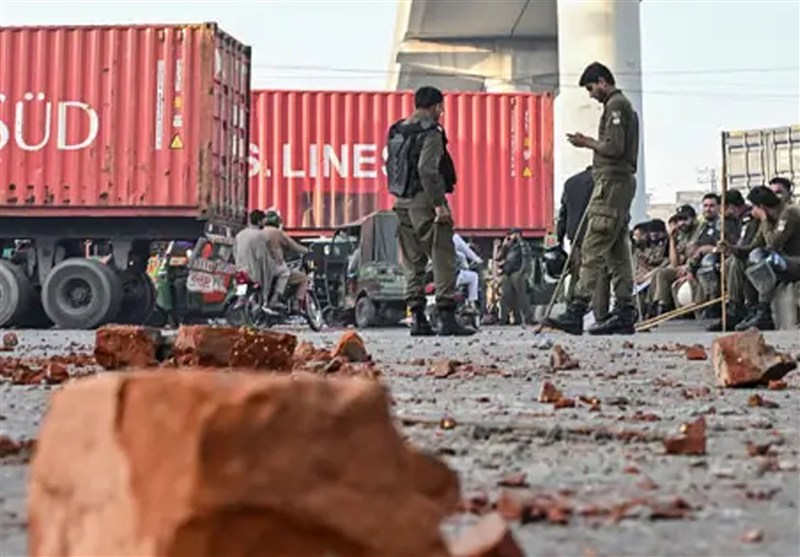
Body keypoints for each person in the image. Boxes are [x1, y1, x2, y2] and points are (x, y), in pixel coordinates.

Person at [545, 62, 640, 335]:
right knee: (618, 251)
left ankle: (576, 309)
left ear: (602, 82)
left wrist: (586, 142)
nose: (591, 95)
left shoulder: (616, 105)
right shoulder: (622, 104)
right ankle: (624, 310)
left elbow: (614, 147)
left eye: (591, 88)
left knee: (593, 245)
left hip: (611, 184)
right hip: (620, 185)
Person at [387, 85, 475, 336]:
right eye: (441, 108)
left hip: (400, 201)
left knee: (413, 261)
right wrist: (439, 204)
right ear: (436, 106)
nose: (442, 113)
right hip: (425, 201)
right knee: (442, 254)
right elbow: (427, 170)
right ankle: (446, 317)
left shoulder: (397, 129)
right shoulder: (432, 131)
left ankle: (418, 318)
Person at [718, 185, 800, 330]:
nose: (752, 211)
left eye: (754, 207)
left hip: (794, 260)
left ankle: (764, 312)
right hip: (779, 260)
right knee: (739, 261)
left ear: (761, 207)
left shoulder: (789, 213)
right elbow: (753, 246)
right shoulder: (767, 219)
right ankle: (736, 309)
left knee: (760, 257)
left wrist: (763, 219)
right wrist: (731, 248)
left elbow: (772, 244)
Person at [556, 165, 611, 322]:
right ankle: (601, 315)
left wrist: (560, 239)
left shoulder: (570, 183)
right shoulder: (604, 181)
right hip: (597, 233)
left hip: (575, 236)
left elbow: (563, 214)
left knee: (577, 273)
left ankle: (572, 312)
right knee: (599, 273)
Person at [706, 189, 760, 331]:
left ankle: (735, 308)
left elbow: (744, 243)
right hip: (749, 253)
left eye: (721, 207)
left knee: (734, 262)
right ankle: (732, 305)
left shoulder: (749, 218)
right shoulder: (733, 220)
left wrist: (730, 248)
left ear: (730, 206)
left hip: (756, 255)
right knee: (728, 263)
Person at [650, 205, 697, 315]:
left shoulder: (697, 232)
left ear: (693, 218)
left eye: (685, 219)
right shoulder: (682, 235)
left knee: (663, 272)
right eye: (679, 220)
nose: (681, 223)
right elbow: (674, 262)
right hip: (681, 268)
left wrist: (688, 268)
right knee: (661, 273)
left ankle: (664, 307)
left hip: (693, 268)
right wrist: (672, 239)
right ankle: (660, 305)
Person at [262, 209, 310, 308]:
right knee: (302, 278)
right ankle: (288, 303)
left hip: (260, 267)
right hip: (274, 267)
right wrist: (308, 251)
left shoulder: (258, 232)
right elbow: (294, 246)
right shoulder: (277, 233)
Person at [497, 229, 534, 325]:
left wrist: (523, 271)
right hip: (507, 272)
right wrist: (503, 246)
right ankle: (505, 318)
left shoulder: (523, 245)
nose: (510, 236)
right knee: (506, 295)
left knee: (521, 296)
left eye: (512, 234)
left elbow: (526, 257)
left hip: (517, 272)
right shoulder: (508, 246)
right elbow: (499, 257)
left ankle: (527, 318)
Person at [234, 210, 274, 296]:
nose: (265, 223)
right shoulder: (260, 235)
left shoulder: (239, 235)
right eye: (264, 221)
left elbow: (235, 252)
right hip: (254, 273)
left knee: (240, 294)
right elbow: (262, 256)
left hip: (240, 272)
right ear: (259, 221)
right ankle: (267, 301)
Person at [453, 232, 482, 311]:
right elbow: (467, 251)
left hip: (435, 276)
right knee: (474, 276)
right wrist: (477, 259)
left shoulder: (433, 235)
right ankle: (471, 303)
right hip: (453, 276)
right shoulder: (455, 238)